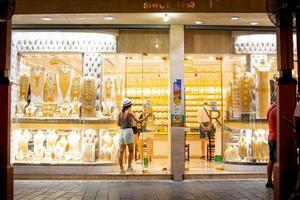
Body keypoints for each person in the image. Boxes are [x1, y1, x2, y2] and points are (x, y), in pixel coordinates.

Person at [117, 98, 149, 174]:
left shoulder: (120, 113)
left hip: (121, 131)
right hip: (128, 131)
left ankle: (121, 169)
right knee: (131, 151)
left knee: (121, 151)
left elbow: (118, 124)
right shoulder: (130, 113)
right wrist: (147, 116)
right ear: (129, 105)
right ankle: (129, 167)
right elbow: (139, 121)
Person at [266, 99, 276, 188]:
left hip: (271, 136)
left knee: (271, 159)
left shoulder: (271, 108)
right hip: (275, 137)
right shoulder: (277, 110)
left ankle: (269, 180)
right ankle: (271, 180)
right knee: (273, 160)